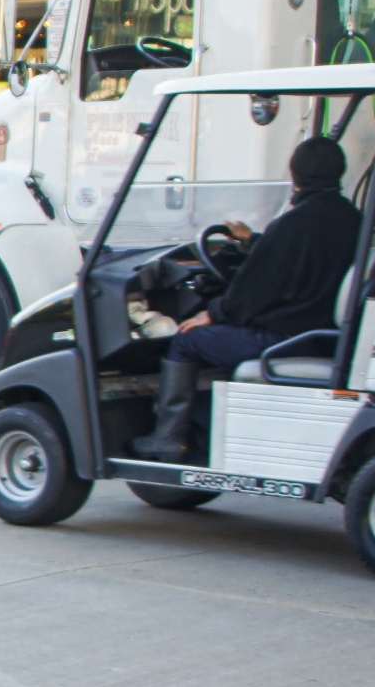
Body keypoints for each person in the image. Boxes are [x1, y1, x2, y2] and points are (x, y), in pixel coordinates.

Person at [133, 135, 360, 460]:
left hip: (283, 338)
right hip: (324, 336)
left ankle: (167, 438)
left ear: (294, 175)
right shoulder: (352, 219)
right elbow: (297, 257)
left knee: (187, 340)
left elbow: (255, 288)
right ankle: (205, 430)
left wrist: (212, 312)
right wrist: (253, 240)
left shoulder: (294, 223)